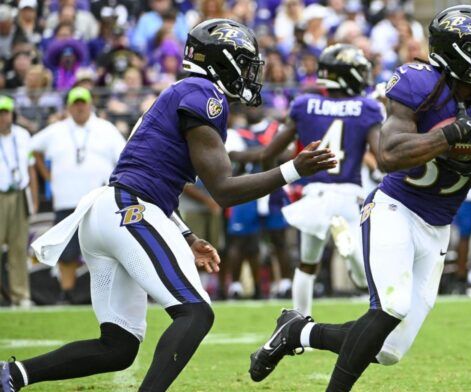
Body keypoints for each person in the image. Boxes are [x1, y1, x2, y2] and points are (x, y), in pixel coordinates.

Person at [1, 19, 335, 391]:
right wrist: (293, 169)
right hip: (129, 210)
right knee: (196, 312)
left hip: (110, 212)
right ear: (222, 61)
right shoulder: (204, 94)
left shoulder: (181, 93)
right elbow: (223, 189)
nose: (250, 72)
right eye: (244, 62)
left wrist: (187, 235)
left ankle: (11, 376)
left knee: (118, 346)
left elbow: (153, 176)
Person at [249, 6, 471, 390]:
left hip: (438, 226)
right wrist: (448, 137)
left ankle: (297, 332)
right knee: (390, 307)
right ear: (456, 53)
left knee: (388, 350)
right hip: (395, 208)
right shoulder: (420, 85)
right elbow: (390, 155)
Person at [233, 44, 383, 316]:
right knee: (363, 277)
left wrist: (240, 157)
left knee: (306, 265)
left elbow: (270, 153)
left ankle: (299, 320)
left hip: (315, 195)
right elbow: (382, 156)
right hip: (349, 194)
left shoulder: (305, 104)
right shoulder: (366, 107)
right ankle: (351, 254)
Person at [31, 87, 125, 304]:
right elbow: (32, 147)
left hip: (98, 201)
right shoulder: (56, 129)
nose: (80, 107)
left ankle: (107, 295)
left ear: (90, 104)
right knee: (66, 252)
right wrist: (46, 175)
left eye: (83, 102)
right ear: (69, 107)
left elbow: (123, 157)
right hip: (66, 199)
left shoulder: (106, 128)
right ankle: (67, 293)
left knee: (106, 249)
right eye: (75, 103)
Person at [224, 107, 294, 300]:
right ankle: (236, 286)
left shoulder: (277, 128)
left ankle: (286, 284)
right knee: (240, 240)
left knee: (279, 238)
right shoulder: (235, 132)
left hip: (275, 187)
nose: (252, 109)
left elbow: (289, 154)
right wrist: (270, 151)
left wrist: (256, 153)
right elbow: (234, 155)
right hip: (248, 187)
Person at [0, 96, 37, 308]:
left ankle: (20, 295)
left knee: (18, 248)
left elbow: (30, 167)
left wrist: (33, 197)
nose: (2, 117)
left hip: (20, 194)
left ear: (12, 114)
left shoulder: (23, 135)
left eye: (5, 112)